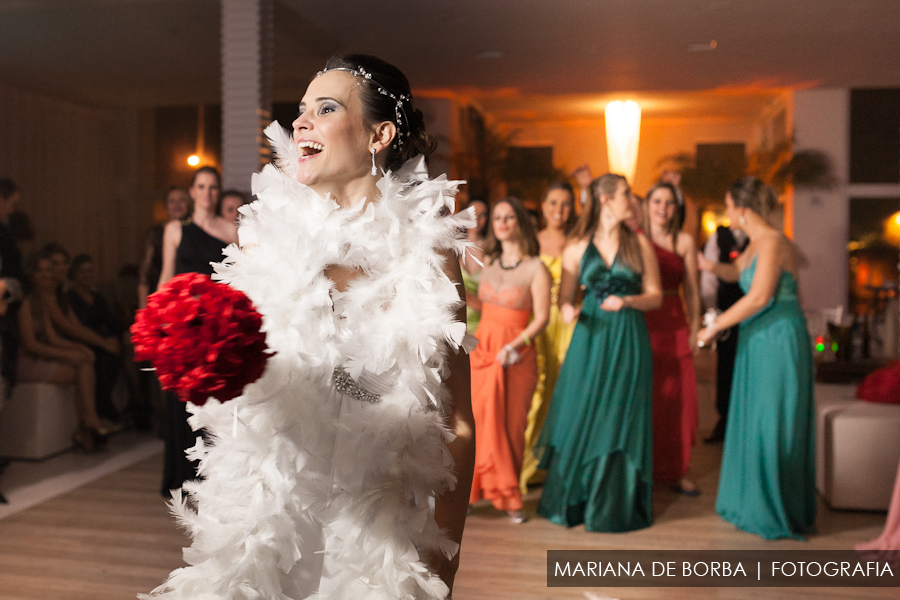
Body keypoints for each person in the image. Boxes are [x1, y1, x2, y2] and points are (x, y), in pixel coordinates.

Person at [142, 54, 475, 600]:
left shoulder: (430, 254)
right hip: (273, 517)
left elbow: (457, 421)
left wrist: (446, 554)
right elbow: (243, 388)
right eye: (300, 111)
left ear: (380, 133)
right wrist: (201, 355)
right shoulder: (258, 238)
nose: (300, 123)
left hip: (379, 527)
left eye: (325, 108)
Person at [536, 173, 662, 532]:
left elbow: (656, 296)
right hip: (590, 336)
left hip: (627, 335)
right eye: (625, 194)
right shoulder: (576, 246)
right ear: (605, 199)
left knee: (620, 413)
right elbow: (565, 296)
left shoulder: (640, 245)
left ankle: (612, 504)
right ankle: (573, 501)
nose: (631, 200)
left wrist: (628, 300)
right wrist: (565, 310)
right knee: (581, 410)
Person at [697, 176, 815, 540]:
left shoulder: (775, 243)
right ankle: (752, 501)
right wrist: (707, 265)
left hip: (778, 339)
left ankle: (775, 507)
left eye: (729, 206)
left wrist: (714, 327)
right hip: (756, 339)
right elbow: (738, 274)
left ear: (743, 210)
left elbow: (760, 296)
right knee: (754, 419)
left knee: (772, 422)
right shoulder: (753, 246)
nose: (726, 213)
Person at [468, 197, 550, 523]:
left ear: (521, 224)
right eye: (497, 217)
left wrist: (515, 346)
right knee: (478, 423)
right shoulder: (488, 262)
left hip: (518, 355)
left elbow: (540, 318)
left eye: (509, 217)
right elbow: (479, 302)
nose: (501, 222)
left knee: (512, 427)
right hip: (483, 350)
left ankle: (509, 497)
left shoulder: (536, 268)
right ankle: (471, 494)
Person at [156, 166, 237, 497]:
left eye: (213, 187)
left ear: (218, 192)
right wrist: (156, 321)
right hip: (181, 327)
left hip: (216, 327)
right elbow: (165, 277)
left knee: (213, 402)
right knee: (181, 402)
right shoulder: (175, 229)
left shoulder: (230, 230)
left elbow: (239, 279)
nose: (207, 192)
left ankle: (213, 478)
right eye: (201, 186)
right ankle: (181, 478)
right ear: (192, 191)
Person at [642, 182, 701, 495]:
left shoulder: (685, 241)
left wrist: (695, 327)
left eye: (669, 203)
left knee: (678, 400)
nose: (663, 208)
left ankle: (677, 470)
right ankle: (644, 468)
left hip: (675, 319)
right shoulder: (636, 238)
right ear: (647, 204)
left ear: (676, 209)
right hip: (643, 321)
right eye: (657, 201)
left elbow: (691, 287)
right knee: (648, 398)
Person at [17, 253, 107, 452]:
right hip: (27, 361)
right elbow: (31, 345)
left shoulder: (42, 301)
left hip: (41, 356)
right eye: (41, 270)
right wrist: (67, 355)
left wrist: (78, 348)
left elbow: (52, 338)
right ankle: (89, 423)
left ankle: (87, 425)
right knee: (79, 370)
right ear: (32, 275)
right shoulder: (26, 303)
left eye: (48, 270)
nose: (46, 274)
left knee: (84, 361)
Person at [519, 182, 576, 493]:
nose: (559, 210)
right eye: (553, 202)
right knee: (539, 389)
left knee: (569, 389)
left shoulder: (579, 242)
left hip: (571, 324)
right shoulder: (532, 242)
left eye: (566, 204)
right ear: (543, 206)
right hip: (540, 322)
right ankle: (531, 466)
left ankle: (564, 466)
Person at [700, 224, 747, 443]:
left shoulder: (760, 239)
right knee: (726, 365)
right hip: (726, 310)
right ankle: (725, 420)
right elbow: (709, 280)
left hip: (752, 315)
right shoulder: (718, 237)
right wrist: (712, 314)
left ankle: (744, 422)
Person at [66, 254, 122, 424]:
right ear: (74, 273)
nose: (87, 275)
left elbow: (111, 322)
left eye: (90, 271)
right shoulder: (69, 298)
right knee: (106, 355)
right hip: (85, 341)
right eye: (82, 271)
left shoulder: (98, 298)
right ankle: (103, 404)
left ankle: (137, 405)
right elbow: (75, 328)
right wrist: (104, 341)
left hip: (102, 340)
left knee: (124, 348)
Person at [138, 187, 191, 309]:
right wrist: (143, 308)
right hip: (161, 297)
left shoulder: (195, 233)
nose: (177, 205)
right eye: (172, 201)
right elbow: (144, 274)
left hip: (188, 297)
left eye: (181, 200)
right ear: (166, 206)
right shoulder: (156, 233)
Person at [459, 198, 488, 334]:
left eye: (483, 215)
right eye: (473, 213)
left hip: (482, 321)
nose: (477, 218)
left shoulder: (491, 250)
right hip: (456, 321)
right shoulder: (453, 248)